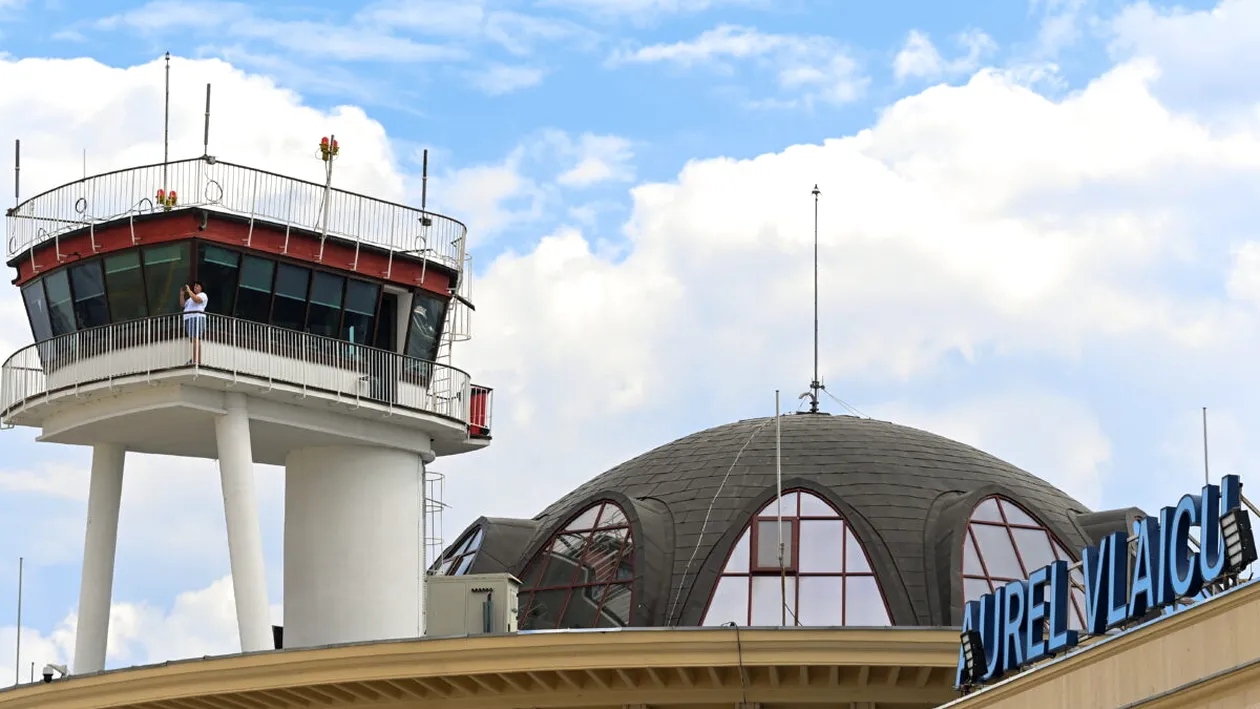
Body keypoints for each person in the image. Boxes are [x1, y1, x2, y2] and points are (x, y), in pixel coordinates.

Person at [180, 281, 208, 365]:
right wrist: (182, 294)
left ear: (201, 288)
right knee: (194, 339)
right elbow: (183, 305)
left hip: (197, 318)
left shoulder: (203, 295)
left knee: (196, 338)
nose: (195, 287)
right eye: (194, 286)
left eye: (197, 286)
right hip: (189, 319)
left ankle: (195, 360)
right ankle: (196, 360)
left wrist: (189, 291)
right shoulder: (190, 299)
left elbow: (197, 300)